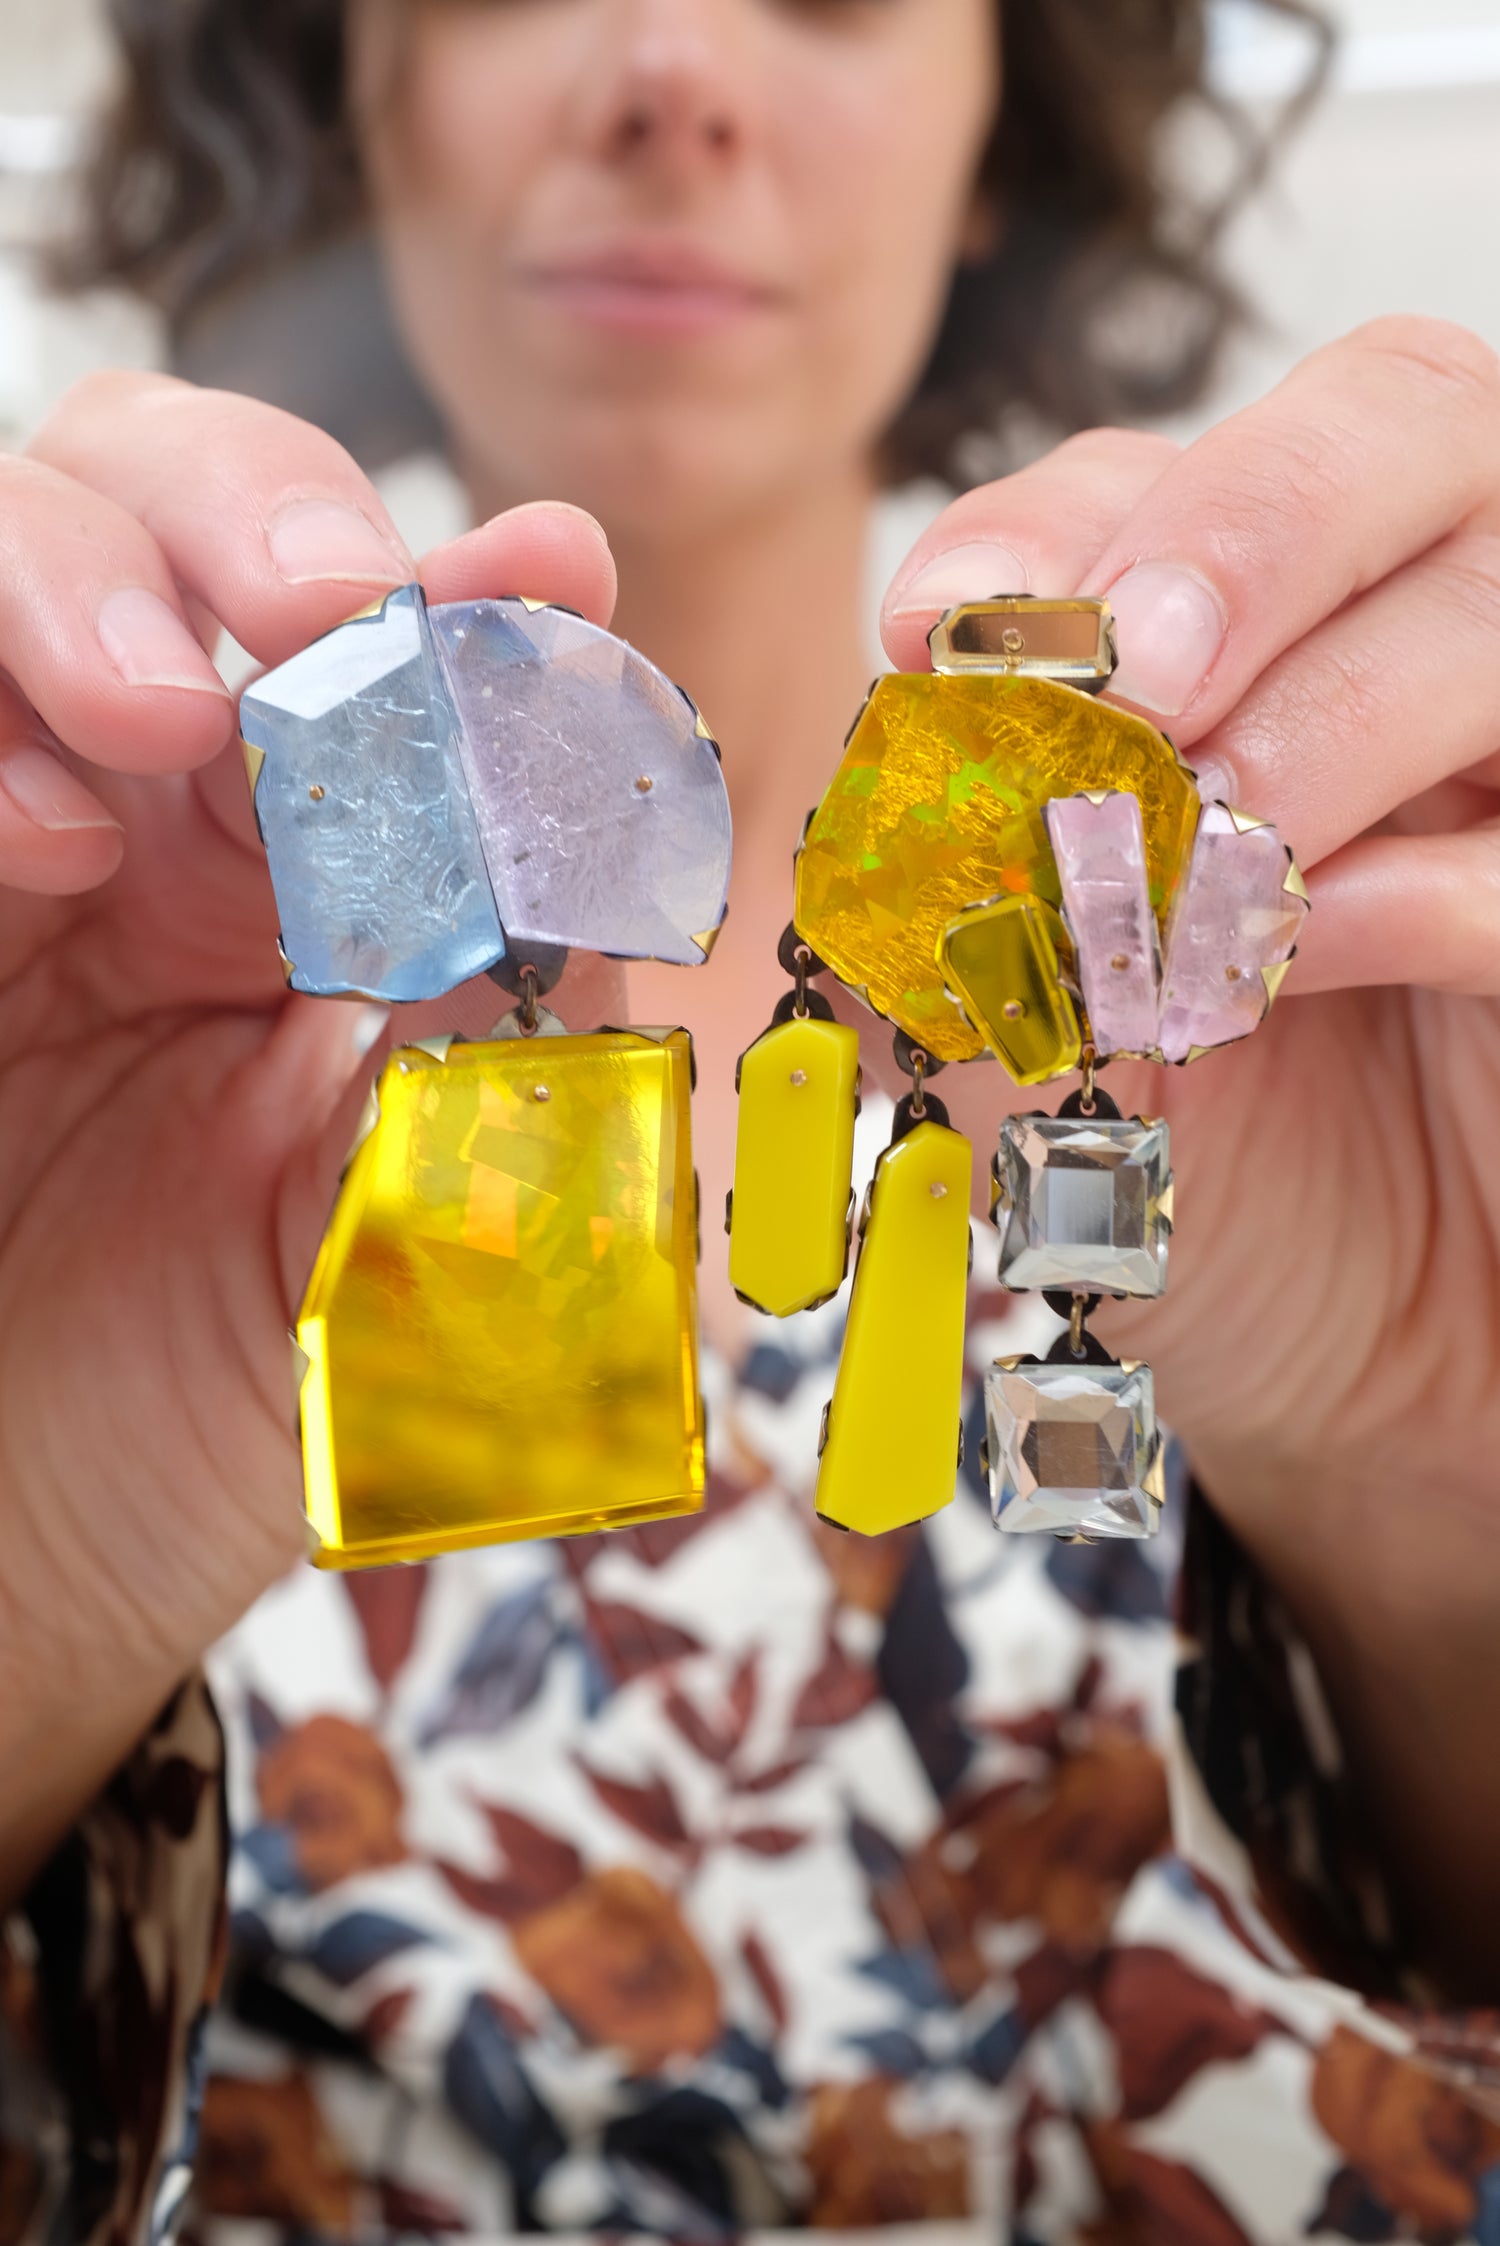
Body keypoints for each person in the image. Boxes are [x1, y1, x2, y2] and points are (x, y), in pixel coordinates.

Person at [2, 0, 1499, 2238]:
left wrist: (1443, 1509)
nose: (673, 68)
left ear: (1004, 126)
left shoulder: (1303, 1027)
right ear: (346, 84)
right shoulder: (91, 1042)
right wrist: (26, 1590)